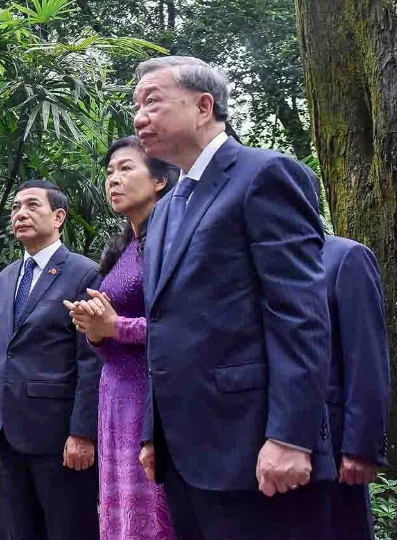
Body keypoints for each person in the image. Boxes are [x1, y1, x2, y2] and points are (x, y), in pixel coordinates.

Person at [133, 55, 335, 539]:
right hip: (184, 453)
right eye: (136, 106)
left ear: (204, 106)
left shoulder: (264, 176)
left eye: (153, 102)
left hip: (252, 447)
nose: (139, 117)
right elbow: (165, 324)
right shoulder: (164, 212)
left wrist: (289, 436)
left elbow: (299, 313)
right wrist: (152, 431)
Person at [66, 136, 178, 540]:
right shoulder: (124, 248)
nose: (113, 179)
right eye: (110, 171)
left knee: (154, 512)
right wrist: (94, 329)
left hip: (151, 396)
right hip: (113, 395)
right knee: (119, 519)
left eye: (126, 168)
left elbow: (186, 328)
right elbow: (110, 331)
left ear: (160, 181)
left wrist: (117, 327)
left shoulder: (172, 243)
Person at [0, 180, 101, 540]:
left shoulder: (84, 272)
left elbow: (91, 360)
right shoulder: (3, 279)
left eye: (32, 206)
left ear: (58, 216)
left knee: (68, 530)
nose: (20, 214)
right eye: (15, 208)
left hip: (59, 436)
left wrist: (82, 432)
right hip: (7, 436)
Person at [297, 165, 390, 539]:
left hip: (337, 444)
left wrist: (361, 447)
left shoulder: (346, 258)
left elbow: (367, 357)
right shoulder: (263, 267)